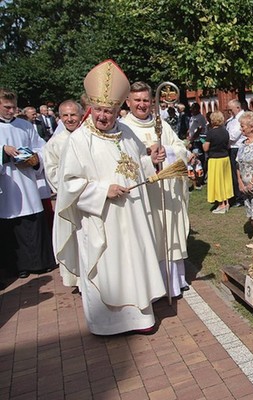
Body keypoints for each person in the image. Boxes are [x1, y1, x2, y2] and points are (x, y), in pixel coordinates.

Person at [54, 59, 166, 335]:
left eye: (110, 111)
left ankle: (141, 319)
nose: (104, 116)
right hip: (100, 219)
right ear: (91, 108)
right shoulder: (79, 141)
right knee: (107, 269)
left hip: (132, 215)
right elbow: (67, 184)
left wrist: (153, 159)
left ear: (118, 111)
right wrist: (103, 190)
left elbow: (139, 164)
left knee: (134, 262)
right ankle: (106, 325)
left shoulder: (126, 132)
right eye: (100, 110)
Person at [123, 81, 190, 298]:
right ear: (128, 102)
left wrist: (168, 151)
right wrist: (148, 160)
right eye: (137, 101)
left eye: (145, 100)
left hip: (167, 191)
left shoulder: (161, 124)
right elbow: (125, 163)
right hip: (144, 195)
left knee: (170, 235)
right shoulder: (124, 128)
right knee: (151, 237)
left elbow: (180, 148)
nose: (142, 105)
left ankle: (175, 282)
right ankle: (154, 286)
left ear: (152, 102)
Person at [0, 89, 56, 281]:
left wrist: (35, 159)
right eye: (7, 107)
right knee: (12, 225)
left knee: (33, 222)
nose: (11, 110)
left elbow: (41, 147)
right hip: (7, 184)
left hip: (28, 181)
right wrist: (3, 152)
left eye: (13, 107)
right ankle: (19, 267)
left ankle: (40, 262)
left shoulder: (25, 126)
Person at [43, 99, 84, 288]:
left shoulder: (88, 137)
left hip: (90, 198)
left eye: (73, 115)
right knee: (73, 239)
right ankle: (77, 277)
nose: (69, 119)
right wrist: (70, 189)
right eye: (65, 115)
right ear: (59, 118)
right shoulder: (55, 143)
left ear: (81, 115)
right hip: (68, 200)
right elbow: (51, 171)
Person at [203, 110, 233, 213]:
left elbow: (206, 148)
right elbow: (228, 145)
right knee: (225, 181)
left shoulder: (211, 132)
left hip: (215, 159)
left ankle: (221, 204)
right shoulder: (225, 131)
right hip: (225, 158)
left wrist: (203, 143)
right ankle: (227, 202)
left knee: (217, 182)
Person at [226, 99, 246, 207]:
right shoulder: (231, 120)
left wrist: (225, 136)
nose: (229, 112)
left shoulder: (242, 118)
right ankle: (237, 195)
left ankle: (241, 197)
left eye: (231, 109)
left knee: (239, 173)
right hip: (232, 148)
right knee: (234, 173)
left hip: (238, 148)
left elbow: (233, 136)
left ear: (237, 108)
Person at [187, 102, 207, 189]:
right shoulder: (192, 117)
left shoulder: (200, 117)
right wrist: (188, 134)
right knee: (193, 160)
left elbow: (199, 129)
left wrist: (193, 138)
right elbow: (191, 127)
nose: (191, 110)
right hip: (193, 140)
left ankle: (200, 179)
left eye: (193, 108)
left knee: (198, 160)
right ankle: (195, 177)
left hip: (198, 140)